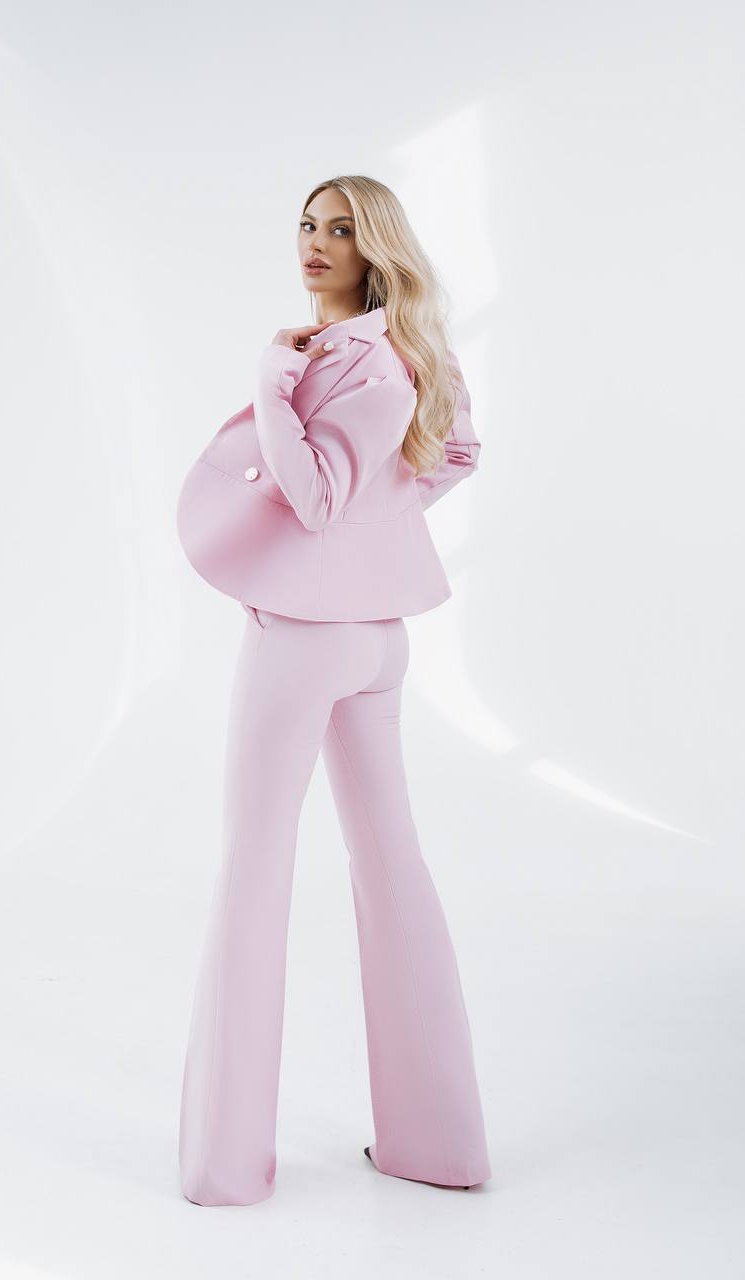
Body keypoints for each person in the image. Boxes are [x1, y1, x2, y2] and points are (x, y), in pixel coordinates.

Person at [175, 174, 491, 1206]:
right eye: (307, 225)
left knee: (254, 869)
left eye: (341, 228)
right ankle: (438, 1143)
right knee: (390, 862)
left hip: (304, 639)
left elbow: (311, 495)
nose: (315, 242)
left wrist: (272, 379)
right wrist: (383, 518)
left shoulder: (341, 359)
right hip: (380, 640)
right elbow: (456, 451)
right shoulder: (413, 350)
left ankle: (223, 1165)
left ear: (376, 244)